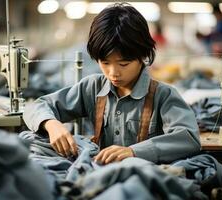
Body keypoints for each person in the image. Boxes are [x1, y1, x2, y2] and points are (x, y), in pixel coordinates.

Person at [23, 3, 201, 165]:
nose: (113, 73)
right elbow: (36, 106)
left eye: (123, 64)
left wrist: (134, 152)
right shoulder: (93, 88)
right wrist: (51, 124)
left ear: (143, 56)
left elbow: (188, 138)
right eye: (105, 63)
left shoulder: (163, 96)